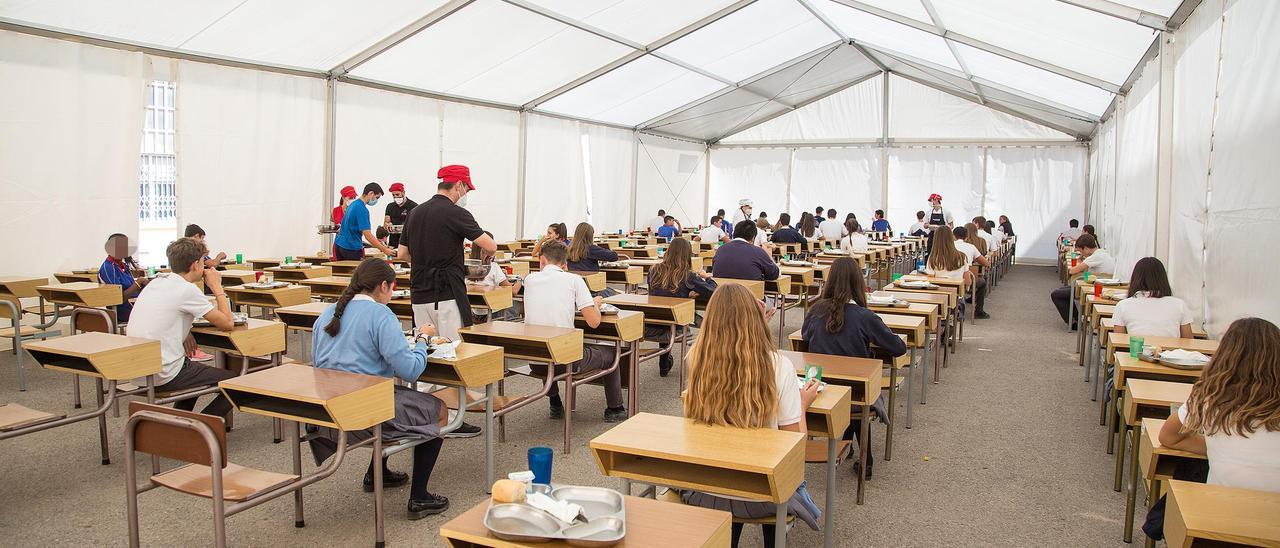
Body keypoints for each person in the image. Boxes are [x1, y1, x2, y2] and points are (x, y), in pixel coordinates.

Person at [681, 284, 822, 547]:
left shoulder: (696, 358)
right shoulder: (779, 366)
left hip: (703, 489)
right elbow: (794, 448)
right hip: (763, 493)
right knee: (782, 479)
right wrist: (802, 405)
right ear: (755, 320)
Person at [309, 259, 450, 519]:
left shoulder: (328, 313)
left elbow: (318, 363)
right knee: (438, 409)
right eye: (392, 288)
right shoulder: (381, 315)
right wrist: (422, 340)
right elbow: (410, 371)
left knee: (388, 392)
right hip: (364, 411)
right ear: (384, 285)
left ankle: (377, 472)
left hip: (328, 412)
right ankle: (420, 496)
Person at [1143, 317, 1280, 540]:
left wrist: (1218, 447)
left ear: (1225, 355)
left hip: (1218, 527)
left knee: (1190, 471)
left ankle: (1161, 526)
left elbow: (1168, 437)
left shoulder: (1210, 398)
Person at [802, 257, 905, 477]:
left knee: (849, 387)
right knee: (861, 393)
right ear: (858, 283)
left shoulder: (815, 311)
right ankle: (864, 457)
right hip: (855, 392)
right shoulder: (864, 316)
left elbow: (804, 336)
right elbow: (898, 348)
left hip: (819, 388)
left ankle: (848, 442)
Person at [126, 237, 236, 420]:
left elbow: (163, 315)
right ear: (196, 265)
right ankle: (203, 426)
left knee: (192, 370)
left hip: (140, 368)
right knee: (235, 381)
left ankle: (181, 424)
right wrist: (217, 286)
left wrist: (186, 332)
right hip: (164, 372)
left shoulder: (156, 283)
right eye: (203, 262)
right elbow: (227, 323)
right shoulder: (187, 290)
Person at [522, 240, 627, 422]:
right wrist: (595, 303)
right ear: (565, 265)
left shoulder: (529, 280)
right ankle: (615, 408)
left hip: (536, 360)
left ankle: (555, 402)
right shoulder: (574, 280)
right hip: (566, 362)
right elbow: (593, 322)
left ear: (542, 261)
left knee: (548, 343)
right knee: (613, 351)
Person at [398, 164, 497, 341]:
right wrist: (487, 257)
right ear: (458, 185)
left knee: (425, 346)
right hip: (446, 295)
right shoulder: (456, 213)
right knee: (453, 349)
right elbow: (490, 246)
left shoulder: (414, 212)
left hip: (419, 292)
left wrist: (425, 262)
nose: (466, 195)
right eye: (466, 189)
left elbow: (402, 254)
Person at [646, 238, 717, 376]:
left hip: (653, 323)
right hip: (677, 326)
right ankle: (707, 360)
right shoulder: (687, 275)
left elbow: (660, 294)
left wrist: (683, 295)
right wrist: (707, 277)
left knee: (666, 311)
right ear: (687, 254)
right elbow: (713, 292)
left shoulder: (653, 270)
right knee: (707, 324)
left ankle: (664, 363)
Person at [1111, 257, 1193, 339]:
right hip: (1171, 351)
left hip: (1137, 351)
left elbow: (1118, 342)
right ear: (1163, 279)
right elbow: (1188, 342)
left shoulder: (1123, 305)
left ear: (1135, 278)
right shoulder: (1180, 304)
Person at [1049, 234, 1113, 326]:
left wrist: (1080, 261)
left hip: (1094, 289)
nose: (1081, 253)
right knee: (1062, 291)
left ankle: (1074, 323)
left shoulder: (1095, 257)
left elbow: (1072, 270)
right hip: (1099, 285)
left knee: (1056, 294)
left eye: (1081, 251)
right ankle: (1076, 319)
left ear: (1086, 248)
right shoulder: (1102, 253)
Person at [467, 231, 521, 320]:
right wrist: (520, 279)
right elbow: (513, 292)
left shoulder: (467, 266)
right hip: (492, 314)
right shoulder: (493, 267)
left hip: (473, 314)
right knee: (515, 303)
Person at [335, 182, 396, 260]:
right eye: (377, 197)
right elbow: (368, 235)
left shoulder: (352, 205)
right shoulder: (362, 209)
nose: (376, 200)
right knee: (359, 271)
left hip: (339, 245)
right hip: (350, 247)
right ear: (371, 193)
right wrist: (385, 250)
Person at [99, 233, 147, 323]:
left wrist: (143, 285)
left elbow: (132, 288)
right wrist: (138, 283)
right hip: (120, 310)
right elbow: (118, 297)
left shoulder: (123, 266)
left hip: (134, 303)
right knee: (156, 315)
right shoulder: (108, 267)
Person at [712, 221, 779, 281]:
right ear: (753, 238)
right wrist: (769, 256)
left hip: (722, 292)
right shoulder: (757, 252)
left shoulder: (720, 250)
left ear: (734, 234)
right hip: (748, 293)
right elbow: (774, 274)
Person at [952, 225, 991, 319]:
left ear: (953, 236)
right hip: (965, 281)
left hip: (947, 282)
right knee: (982, 282)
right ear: (966, 237)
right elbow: (985, 263)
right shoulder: (971, 247)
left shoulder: (948, 246)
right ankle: (979, 310)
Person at [383, 182, 417, 249]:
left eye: (397, 194)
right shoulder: (390, 206)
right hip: (393, 242)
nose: (395, 197)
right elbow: (386, 222)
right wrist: (387, 225)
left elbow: (417, 225)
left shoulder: (413, 206)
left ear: (403, 192)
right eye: (393, 195)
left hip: (408, 242)